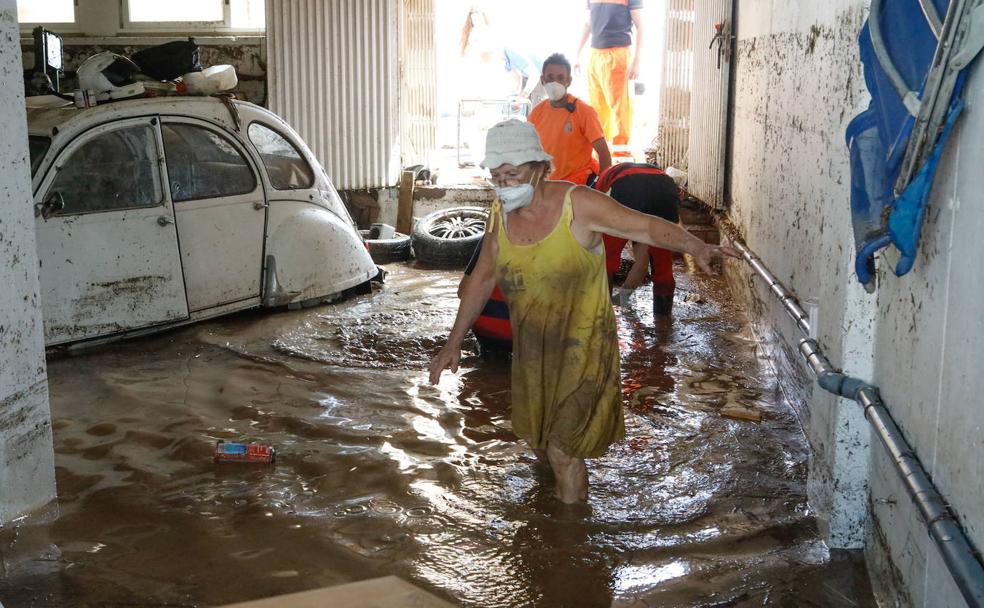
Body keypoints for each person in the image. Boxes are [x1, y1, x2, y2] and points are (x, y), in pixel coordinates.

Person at [428, 120, 738, 503]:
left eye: (513, 174)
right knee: (539, 443)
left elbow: (647, 228)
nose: (504, 185)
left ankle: (568, 544)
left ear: (540, 167)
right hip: (533, 353)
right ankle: (547, 519)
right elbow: (482, 277)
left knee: (562, 451)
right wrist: (452, 342)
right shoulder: (499, 213)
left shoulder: (579, 205)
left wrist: (698, 247)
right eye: (496, 176)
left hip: (585, 351)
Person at [595, 162, 682, 316]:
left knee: (606, 259)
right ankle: (663, 325)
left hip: (628, 188)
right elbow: (641, 265)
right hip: (665, 191)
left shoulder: (600, 186)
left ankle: (603, 315)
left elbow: (602, 259)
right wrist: (623, 298)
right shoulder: (618, 173)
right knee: (662, 263)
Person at [528, 53, 611, 186]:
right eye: (550, 77)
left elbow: (604, 153)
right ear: (542, 80)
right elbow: (527, 152)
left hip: (579, 186)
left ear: (569, 81)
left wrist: (601, 187)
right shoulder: (536, 113)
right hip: (548, 186)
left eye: (560, 78)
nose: (555, 82)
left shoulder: (584, 111)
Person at [575, 0, 644, 151]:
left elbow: (641, 26)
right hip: (595, 55)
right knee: (597, 109)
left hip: (618, 54)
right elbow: (588, 24)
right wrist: (577, 55)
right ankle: (601, 156)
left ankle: (621, 155)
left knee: (621, 109)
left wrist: (637, 61)